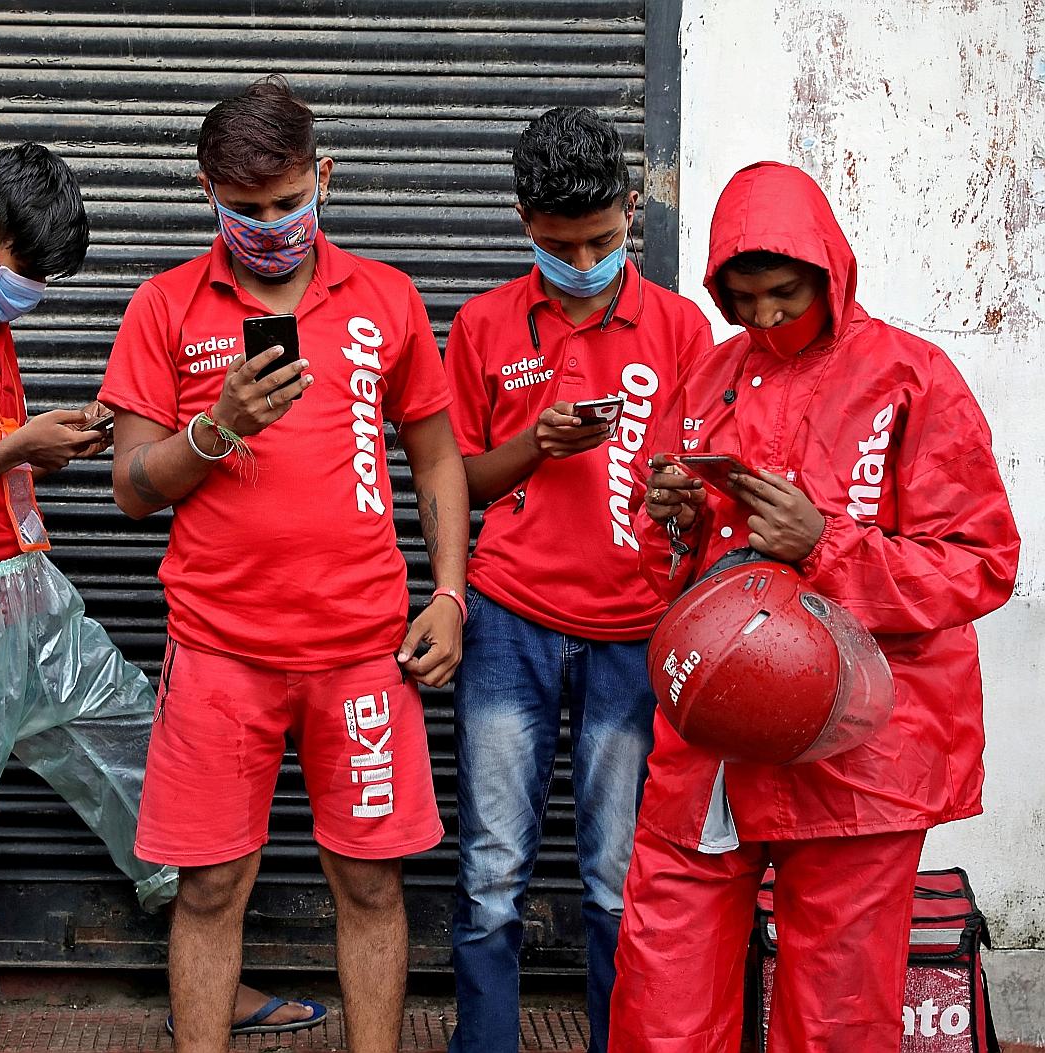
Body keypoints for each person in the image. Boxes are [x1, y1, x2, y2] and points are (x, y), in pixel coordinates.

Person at [0, 143, 323, 1051]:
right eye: (31, 273)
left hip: (30, 593)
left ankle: (210, 972)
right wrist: (15, 448)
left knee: (149, 760)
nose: (33, 294)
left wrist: (43, 443)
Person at [609, 161, 1020, 1052]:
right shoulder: (708, 379)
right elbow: (664, 582)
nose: (763, 318)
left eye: (784, 295)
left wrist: (825, 545)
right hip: (714, 734)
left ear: (830, 270)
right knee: (662, 990)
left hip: (864, 747)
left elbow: (982, 565)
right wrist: (674, 524)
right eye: (743, 297)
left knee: (835, 1011)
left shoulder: (914, 378)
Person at [99, 75, 470, 1053]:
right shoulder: (165, 306)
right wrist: (216, 429)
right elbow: (132, 486)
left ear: (324, 178)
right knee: (213, 885)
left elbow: (435, 455)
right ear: (207, 194)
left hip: (363, 654)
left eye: (287, 202)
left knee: (372, 882)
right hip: (220, 655)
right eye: (245, 208)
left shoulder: (385, 297)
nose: (269, 225)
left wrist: (451, 596)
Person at [442, 107, 712, 1053]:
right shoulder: (480, 326)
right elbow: (457, 479)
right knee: (492, 866)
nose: (584, 257)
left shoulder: (682, 329)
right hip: (508, 618)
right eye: (561, 244)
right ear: (525, 223)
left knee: (616, 872)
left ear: (633, 211)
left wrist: (680, 491)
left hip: (638, 627)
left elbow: (706, 480)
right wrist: (532, 446)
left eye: (602, 238)